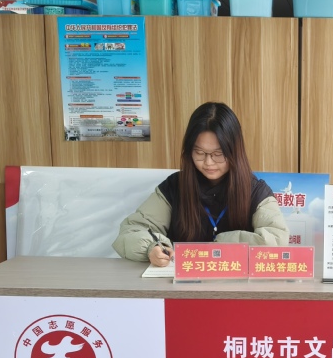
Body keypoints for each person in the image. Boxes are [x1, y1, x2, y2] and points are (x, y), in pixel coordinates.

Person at [112, 102, 289, 266]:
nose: (208, 162)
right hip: (179, 283)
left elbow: (276, 240)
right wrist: (151, 248)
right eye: (199, 152)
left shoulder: (256, 191)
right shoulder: (174, 187)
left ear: (235, 151)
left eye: (218, 154)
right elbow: (131, 232)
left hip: (236, 283)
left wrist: (217, 246)